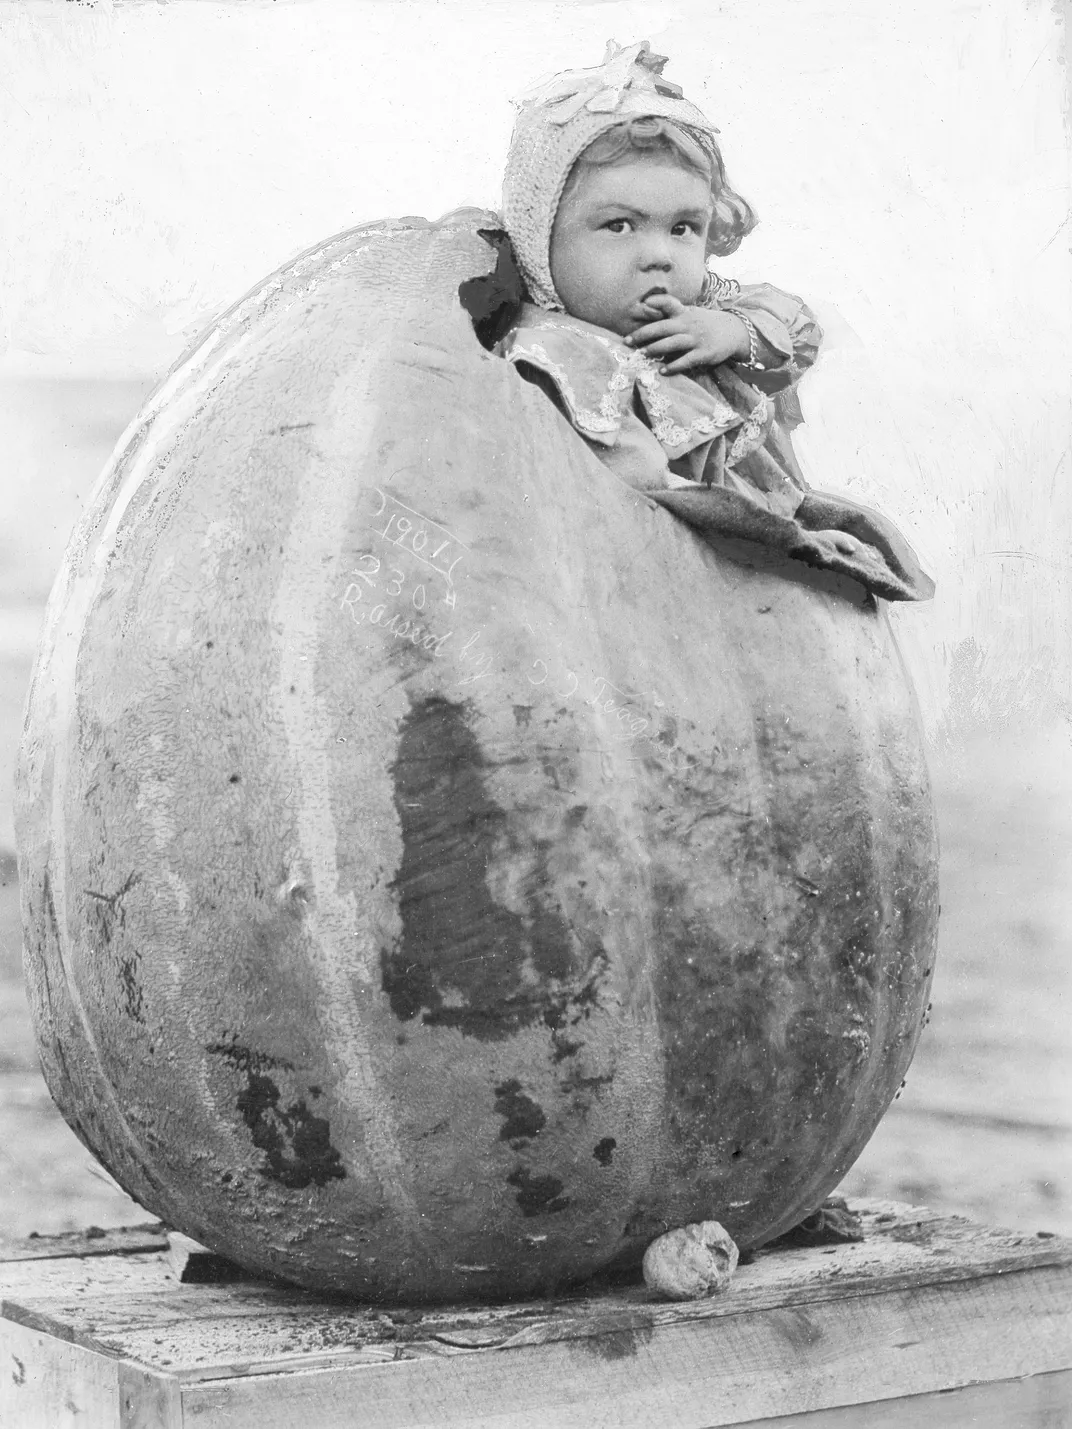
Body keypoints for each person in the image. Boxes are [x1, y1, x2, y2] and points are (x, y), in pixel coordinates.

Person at [478, 41, 933, 602]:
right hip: (660, 571)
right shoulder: (558, 352)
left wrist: (734, 333)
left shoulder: (705, 310)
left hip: (754, 555)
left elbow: (793, 325)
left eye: (683, 227)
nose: (660, 256)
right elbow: (633, 481)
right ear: (540, 239)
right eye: (620, 226)